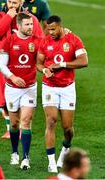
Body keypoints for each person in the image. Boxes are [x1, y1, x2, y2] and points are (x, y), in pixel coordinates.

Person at [37, 15, 88, 173]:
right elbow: (38, 62)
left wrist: (63, 64)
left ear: (60, 27)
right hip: (49, 86)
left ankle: (65, 150)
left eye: (53, 29)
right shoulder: (45, 41)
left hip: (67, 88)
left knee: (67, 128)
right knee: (51, 121)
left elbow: (84, 61)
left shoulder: (73, 40)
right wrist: (44, 69)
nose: (50, 32)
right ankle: (51, 162)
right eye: (48, 29)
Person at [0, 0, 44, 139]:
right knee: (4, 98)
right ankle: (10, 128)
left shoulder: (31, 19)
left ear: (22, 2)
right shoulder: (0, 16)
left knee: (23, 97)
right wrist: (9, 17)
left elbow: (41, 40)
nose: (11, 4)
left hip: (24, 63)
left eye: (15, 2)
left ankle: (22, 127)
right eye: (9, 1)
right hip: (4, 62)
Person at [0, 12, 41, 170]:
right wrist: (13, 76)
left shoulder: (37, 40)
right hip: (12, 88)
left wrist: (65, 32)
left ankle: (26, 158)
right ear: (19, 25)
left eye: (32, 24)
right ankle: (15, 152)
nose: (31, 27)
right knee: (14, 124)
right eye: (27, 24)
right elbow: (2, 64)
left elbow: (52, 42)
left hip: (30, 87)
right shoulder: (8, 40)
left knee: (26, 123)